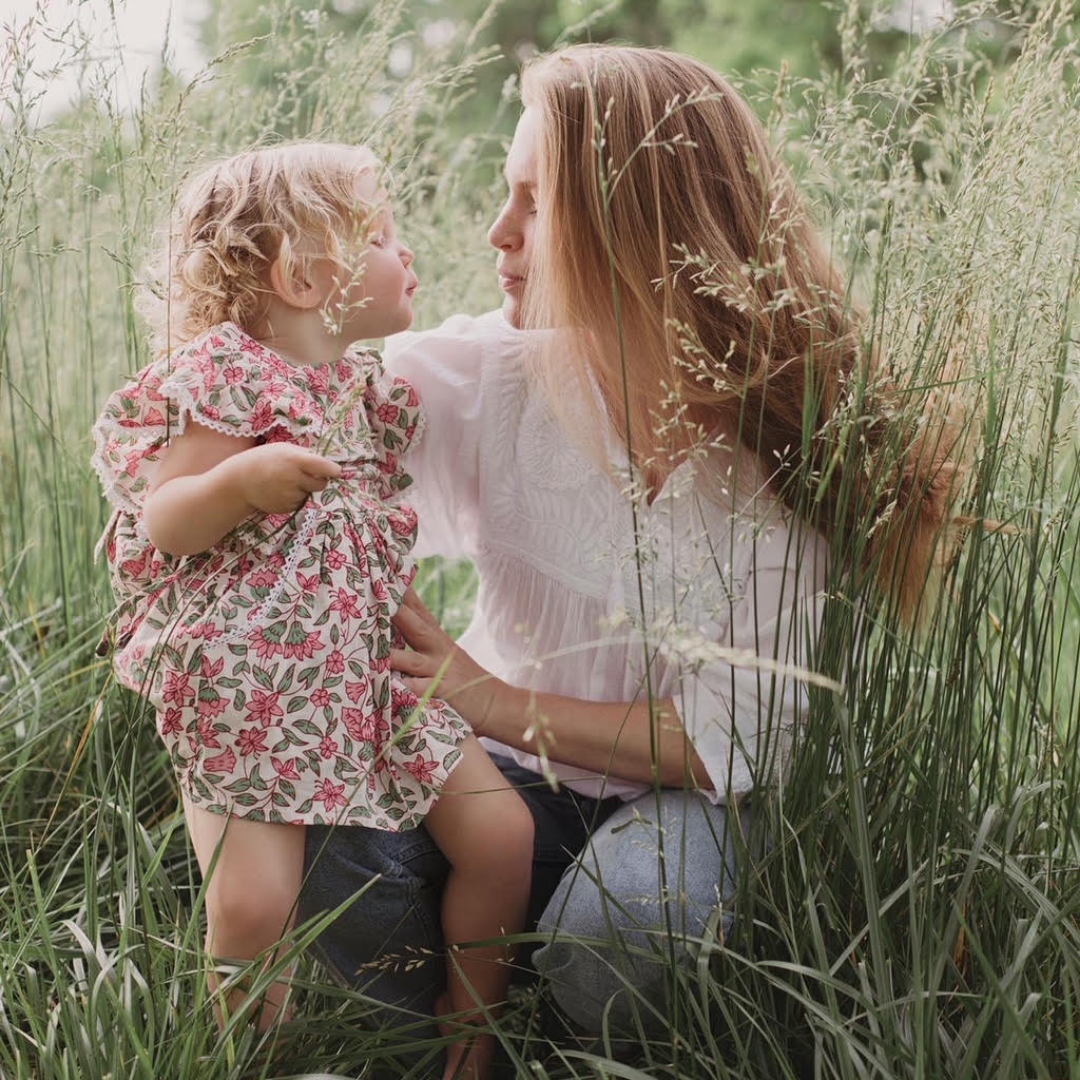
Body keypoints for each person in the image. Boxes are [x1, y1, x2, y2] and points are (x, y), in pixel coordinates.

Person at [299, 44, 961, 1047]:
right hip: (498, 788)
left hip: (693, 805)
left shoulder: (798, 443)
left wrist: (492, 700)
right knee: (323, 826)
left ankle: (570, 1021)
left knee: (632, 928)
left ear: (634, 227)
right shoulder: (490, 376)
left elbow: (723, 739)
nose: (498, 233)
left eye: (535, 202)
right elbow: (279, 416)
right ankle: (427, 1043)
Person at [90, 142, 534, 1079]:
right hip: (248, 685)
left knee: (503, 834)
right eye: (378, 237)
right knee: (253, 905)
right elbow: (166, 519)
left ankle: (471, 1022)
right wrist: (241, 480)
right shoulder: (229, 373)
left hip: (362, 673)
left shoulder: (363, 393)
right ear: (299, 276)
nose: (404, 251)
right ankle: (261, 1057)